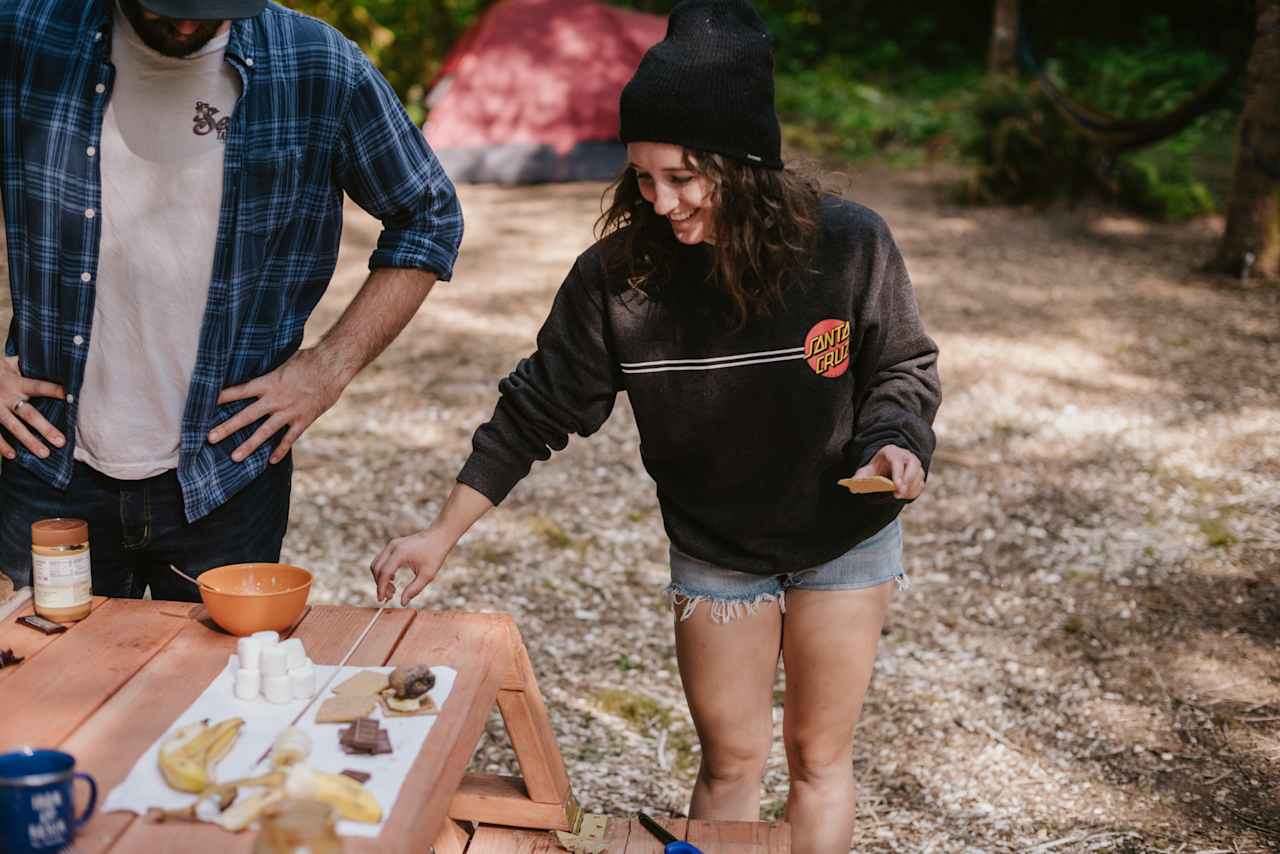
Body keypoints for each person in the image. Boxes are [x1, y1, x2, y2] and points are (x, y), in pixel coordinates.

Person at [370, 1, 939, 850]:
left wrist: (894, 442)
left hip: (845, 535)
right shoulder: (619, 279)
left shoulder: (849, 245)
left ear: (746, 167)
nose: (663, 202)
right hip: (715, 548)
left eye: (685, 177)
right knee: (732, 759)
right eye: (643, 177)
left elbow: (900, 365)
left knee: (820, 757)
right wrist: (440, 533)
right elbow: (536, 408)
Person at [0, 0, 463, 601]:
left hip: (227, 471)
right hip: (46, 461)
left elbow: (428, 215)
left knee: (220, 691)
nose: (190, 25)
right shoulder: (26, 34)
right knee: (45, 683)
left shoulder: (316, 64)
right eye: (167, 8)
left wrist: (327, 371)